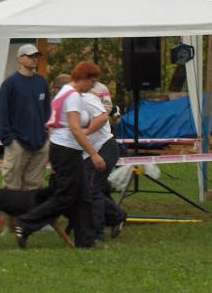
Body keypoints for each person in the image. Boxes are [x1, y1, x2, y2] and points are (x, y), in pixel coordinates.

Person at [15, 61, 106, 248]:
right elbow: (74, 127)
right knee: (65, 196)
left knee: (82, 196)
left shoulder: (65, 91)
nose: (92, 86)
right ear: (82, 77)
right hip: (66, 150)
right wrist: (94, 154)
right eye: (91, 81)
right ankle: (26, 223)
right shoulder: (72, 96)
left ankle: (86, 240)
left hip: (64, 148)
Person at [0, 44, 51, 190]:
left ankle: (30, 213)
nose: (34, 59)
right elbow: (1, 113)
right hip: (17, 143)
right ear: (20, 58)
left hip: (40, 144)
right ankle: (11, 213)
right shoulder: (10, 83)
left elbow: (47, 111)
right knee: (12, 187)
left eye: (36, 56)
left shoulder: (41, 82)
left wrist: (46, 136)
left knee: (34, 186)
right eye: (30, 56)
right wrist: (9, 139)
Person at [82, 88, 128, 241]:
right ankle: (116, 216)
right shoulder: (73, 100)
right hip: (93, 152)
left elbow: (102, 118)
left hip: (102, 150)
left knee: (92, 192)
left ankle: (97, 234)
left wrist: (84, 132)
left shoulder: (88, 99)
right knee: (91, 191)